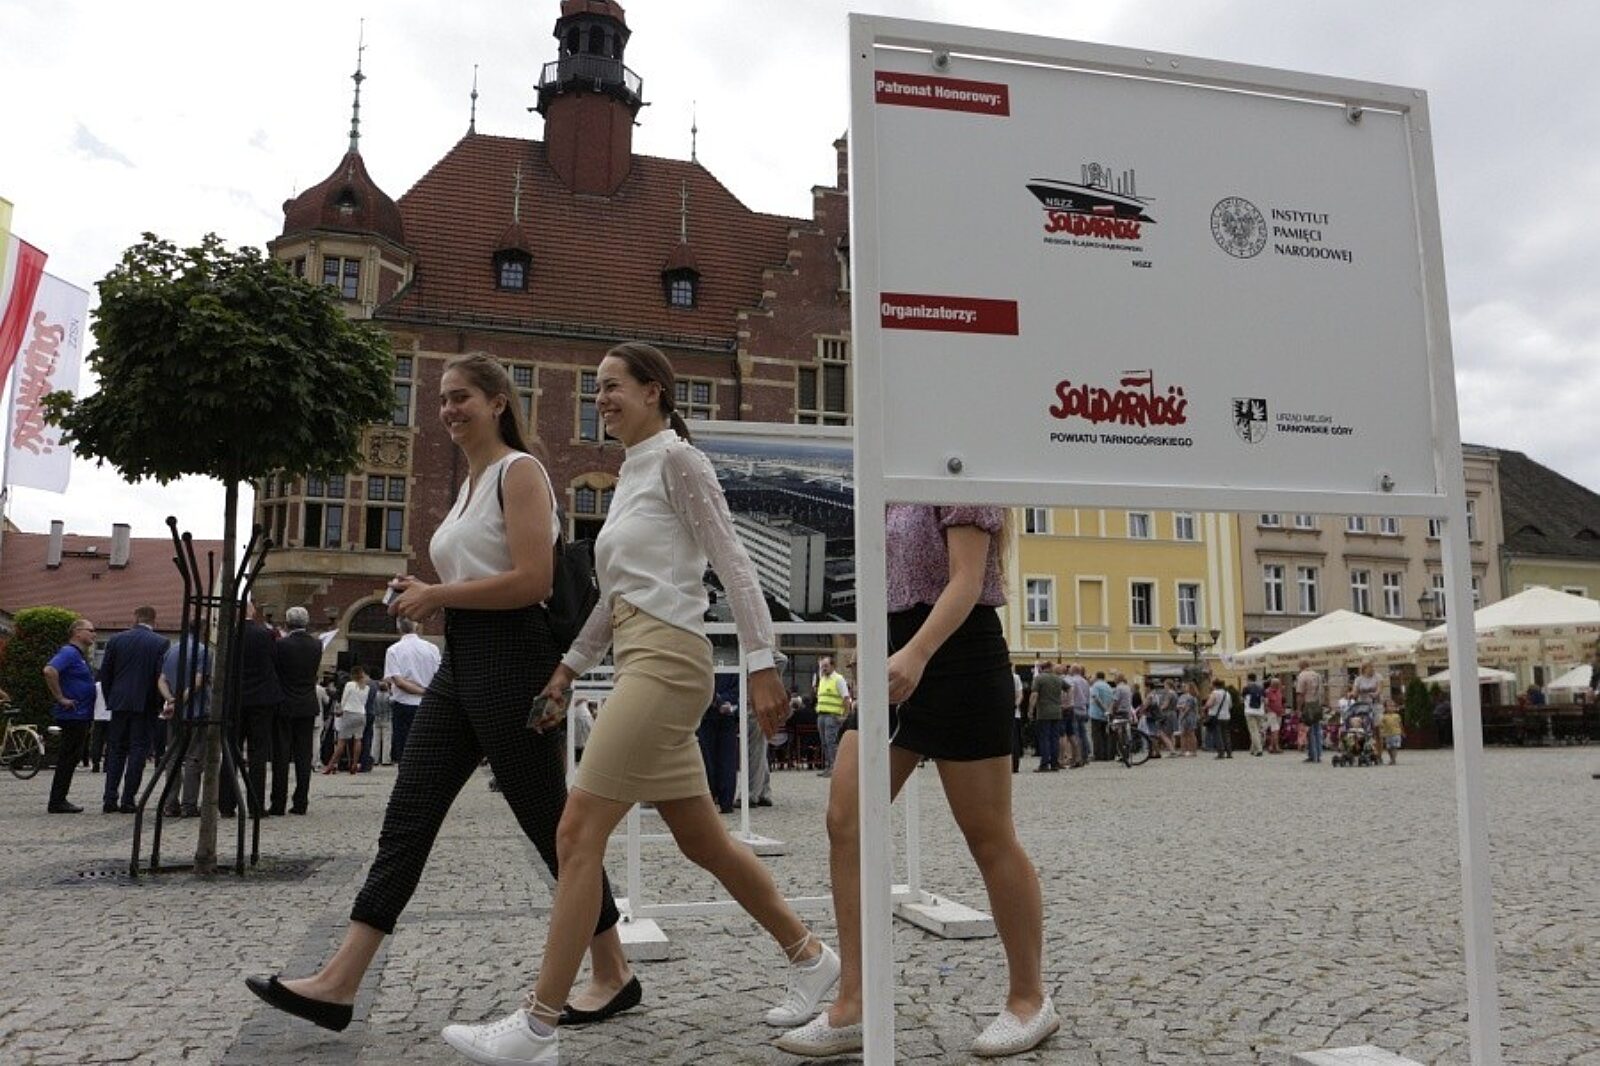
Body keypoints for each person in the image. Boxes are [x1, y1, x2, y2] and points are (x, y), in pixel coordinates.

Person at [440, 343, 835, 1066]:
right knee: (703, 841)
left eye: (613, 386)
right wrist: (567, 670)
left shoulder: (680, 460)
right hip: (640, 658)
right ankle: (812, 957)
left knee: (575, 832)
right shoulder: (631, 472)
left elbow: (735, 561)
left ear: (654, 392)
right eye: (595, 389)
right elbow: (614, 597)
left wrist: (761, 662)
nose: (601, 399)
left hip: (669, 663)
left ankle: (536, 1025)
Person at [248, 352, 635, 1037]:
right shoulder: (470, 484)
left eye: (461, 398)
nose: (448, 410)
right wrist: (425, 594)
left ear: (497, 402)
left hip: (514, 659)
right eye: (442, 399)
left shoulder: (520, 471)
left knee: (551, 827)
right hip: (462, 662)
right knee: (409, 816)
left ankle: (612, 970)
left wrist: (439, 594)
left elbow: (534, 581)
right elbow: (480, 572)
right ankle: (340, 980)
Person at [777, 503, 1057, 1059]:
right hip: (895, 656)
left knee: (988, 835)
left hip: (959, 658)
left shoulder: (951, 468)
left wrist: (917, 652)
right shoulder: (885, 474)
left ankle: (1030, 999)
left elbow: (967, 579)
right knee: (846, 820)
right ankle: (855, 1003)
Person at [96, 606, 169, 814]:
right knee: (138, 750)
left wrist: (112, 698)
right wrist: (158, 704)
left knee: (116, 750)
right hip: (145, 704)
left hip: (119, 702)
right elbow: (159, 676)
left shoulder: (116, 640)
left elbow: (105, 674)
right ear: (154, 620)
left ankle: (109, 798)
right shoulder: (160, 642)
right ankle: (128, 799)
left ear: (135, 618)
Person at [227, 602, 283, 815]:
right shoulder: (265, 634)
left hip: (235, 699)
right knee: (258, 752)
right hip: (261, 699)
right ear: (253, 612)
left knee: (231, 749)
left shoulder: (228, 634)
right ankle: (256, 805)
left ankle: (226, 804)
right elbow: (274, 660)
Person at [271, 607, 324, 815]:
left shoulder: (281, 645)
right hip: (307, 704)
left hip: (284, 704)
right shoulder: (317, 645)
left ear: (287, 622)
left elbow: (276, 671)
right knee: (304, 755)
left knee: (281, 755)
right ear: (307, 622)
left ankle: (278, 803)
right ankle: (301, 802)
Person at [43, 619, 97, 813]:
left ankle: (59, 798)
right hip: (73, 714)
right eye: (90, 630)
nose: (94, 634)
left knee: (72, 756)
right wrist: (60, 697)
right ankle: (57, 800)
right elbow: (49, 670)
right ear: (77, 632)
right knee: (69, 756)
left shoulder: (78, 655)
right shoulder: (69, 652)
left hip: (81, 713)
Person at [159, 622, 212, 818]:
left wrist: (170, 700)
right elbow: (197, 682)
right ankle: (189, 804)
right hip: (196, 712)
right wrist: (180, 702)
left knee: (173, 757)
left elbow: (161, 679)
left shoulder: (172, 649)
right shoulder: (203, 651)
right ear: (204, 631)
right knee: (194, 757)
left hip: (174, 714)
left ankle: (170, 803)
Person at [384, 617, 441, 765]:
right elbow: (439, 676)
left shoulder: (393, 650)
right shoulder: (432, 648)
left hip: (403, 704)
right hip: (427, 704)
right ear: (417, 627)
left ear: (398, 628)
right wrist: (428, 692)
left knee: (404, 749)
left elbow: (399, 681)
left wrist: (421, 691)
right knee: (425, 746)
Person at [323, 665, 369, 775]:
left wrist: (340, 710)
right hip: (361, 713)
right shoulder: (366, 687)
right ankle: (354, 764)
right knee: (358, 739)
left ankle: (330, 765)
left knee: (341, 741)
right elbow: (364, 702)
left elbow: (344, 699)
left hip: (349, 713)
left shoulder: (350, 684)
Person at [813, 656, 851, 777]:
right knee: (824, 743)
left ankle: (835, 768)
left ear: (833, 666)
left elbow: (846, 698)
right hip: (821, 715)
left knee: (831, 743)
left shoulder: (838, 679)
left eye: (826, 666)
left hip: (832, 716)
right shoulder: (822, 679)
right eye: (822, 666)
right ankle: (829, 766)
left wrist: (845, 716)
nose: (823, 668)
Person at [1028, 660, 1063, 772]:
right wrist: (1065, 702)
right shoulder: (1058, 678)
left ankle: (1044, 764)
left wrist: (1030, 710)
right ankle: (1054, 763)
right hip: (1057, 712)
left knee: (1044, 738)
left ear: (1041, 668)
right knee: (1055, 738)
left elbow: (1034, 694)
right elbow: (1069, 688)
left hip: (1043, 712)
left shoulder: (1039, 679)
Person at [1296, 660, 1325, 763]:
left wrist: (1299, 709)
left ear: (1301, 666)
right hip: (1317, 704)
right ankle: (1319, 754)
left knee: (1310, 730)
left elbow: (1300, 694)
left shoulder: (1302, 675)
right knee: (1317, 730)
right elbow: (1322, 692)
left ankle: (1313, 755)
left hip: (1308, 704)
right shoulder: (1317, 675)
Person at [1088, 670, 1114, 761]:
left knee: (1096, 735)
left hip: (1096, 714)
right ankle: (1106, 755)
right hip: (1105, 716)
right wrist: (1108, 710)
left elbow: (1096, 698)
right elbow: (1112, 700)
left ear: (1097, 677)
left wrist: (1104, 709)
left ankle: (1098, 755)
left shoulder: (1096, 686)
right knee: (1104, 735)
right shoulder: (1108, 686)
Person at [1205, 681, 1233, 759]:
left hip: (1216, 716)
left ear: (1214, 685)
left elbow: (1209, 704)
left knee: (1218, 735)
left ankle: (1221, 753)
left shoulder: (1214, 693)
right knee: (1226, 735)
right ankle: (1229, 752)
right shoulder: (1227, 694)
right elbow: (1230, 706)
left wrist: (1206, 705)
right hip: (1226, 716)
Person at [1241, 673, 1266, 756]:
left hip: (1249, 711)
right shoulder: (1261, 688)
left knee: (1253, 731)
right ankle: (1252, 749)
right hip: (1260, 712)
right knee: (1257, 731)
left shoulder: (1246, 688)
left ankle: (1259, 749)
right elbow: (1264, 700)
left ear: (1248, 679)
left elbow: (1242, 699)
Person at [1176, 681, 1200, 757]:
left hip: (1189, 717)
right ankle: (1184, 750)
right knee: (1183, 734)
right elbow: (1178, 706)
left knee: (1191, 734)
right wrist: (1181, 707)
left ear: (1190, 688)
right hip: (1185, 716)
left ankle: (1193, 751)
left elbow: (1187, 708)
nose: (1183, 688)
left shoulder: (1191, 697)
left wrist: (1182, 716)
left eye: (1185, 686)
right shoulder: (1182, 696)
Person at [1378, 698, 1404, 765]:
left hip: (1396, 733)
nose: (1391, 708)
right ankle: (1391, 758)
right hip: (1388, 734)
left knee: (1395, 747)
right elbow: (1381, 725)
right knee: (1389, 747)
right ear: (1385, 708)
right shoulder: (1384, 716)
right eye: (1389, 706)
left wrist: (1402, 731)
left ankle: (1393, 759)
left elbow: (1400, 724)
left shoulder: (1397, 716)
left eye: (1393, 706)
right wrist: (1381, 731)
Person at [1264, 677, 1285, 754]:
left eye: (1278, 684)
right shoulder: (1267, 691)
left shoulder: (1279, 691)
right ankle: (1276, 747)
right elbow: (1266, 703)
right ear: (1272, 684)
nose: (1278, 685)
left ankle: (1271, 746)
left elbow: (1281, 701)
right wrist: (1268, 710)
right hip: (1272, 712)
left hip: (1279, 713)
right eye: (1276, 684)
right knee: (1275, 729)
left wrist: (1282, 709)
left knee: (1276, 730)